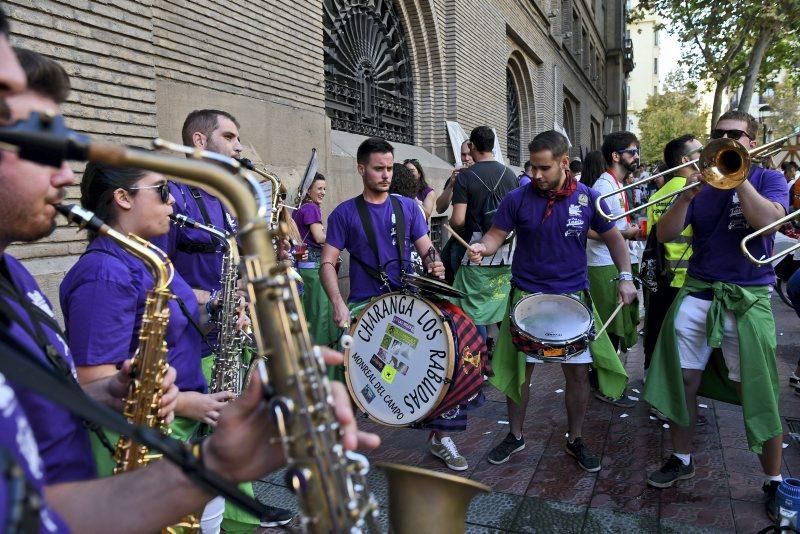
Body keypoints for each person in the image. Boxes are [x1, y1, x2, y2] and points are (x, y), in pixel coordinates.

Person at [0, 24, 380, 531]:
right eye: (36, 141)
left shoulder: (19, 278)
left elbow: (51, 501)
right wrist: (183, 404)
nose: (66, 173)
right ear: (122, 199)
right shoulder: (102, 274)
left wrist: (215, 463)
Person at [643, 110, 787, 520]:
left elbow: (768, 225)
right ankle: (682, 458)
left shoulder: (766, 179)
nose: (724, 139)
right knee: (681, 380)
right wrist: (686, 194)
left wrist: (738, 180)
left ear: (752, 142)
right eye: (718, 134)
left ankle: (774, 480)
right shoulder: (699, 184)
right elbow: (665, 234)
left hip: (747, 296)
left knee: (757, 388)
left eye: (734, 135)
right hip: (698, 291)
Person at [471, 131, 636, 470]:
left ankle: (575, 439)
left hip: (572, 299)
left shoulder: (588, 199)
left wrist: (625, 277)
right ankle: (515, 436)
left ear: (564, 163)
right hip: (526, 299)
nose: (536, 175)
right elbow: (495, 235)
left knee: (576, 375)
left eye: (543, 168)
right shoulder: (517, 198)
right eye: (532, 167)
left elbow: (615, 240)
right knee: (521, 373)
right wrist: (482, 248)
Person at [320, 137, 478, 472]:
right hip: (366, 306)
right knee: (351, 375)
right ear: (361, 168)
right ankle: (341, 442)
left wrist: (436, 263)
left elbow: (426, 249)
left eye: (389, 168)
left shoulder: (408, 208)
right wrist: (338, 302)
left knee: (445, 359)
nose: (386, 175)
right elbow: (327, 263)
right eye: (378, 169)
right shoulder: (345, 213)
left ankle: (440, 438)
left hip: (407, 303)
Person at [449, 126, 518, 344]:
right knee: (500, 303)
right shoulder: (511, 175)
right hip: (507, 252)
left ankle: (478, 360)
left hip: (474, 250)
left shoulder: (465, 177)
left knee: (471, 309)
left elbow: (458, 220)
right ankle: (501, 355)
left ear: (473, 146)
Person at [643, 135, 700, 371]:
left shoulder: (657, 196)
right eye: (700, 152)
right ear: (686, 160)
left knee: (661, 330)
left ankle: (654, 377)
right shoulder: (701, 192)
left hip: (664, 276)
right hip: (694, 277)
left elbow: (651, 239)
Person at [587, 132, 642, 359]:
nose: (637, 157)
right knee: (608, 327)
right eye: (632, 152)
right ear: (616, 156)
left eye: (637, 151)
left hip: (614, 260)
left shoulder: (615, 182)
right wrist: (625, 233)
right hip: (602, 264)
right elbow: (588, 228)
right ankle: (602, 382)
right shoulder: (604, 185)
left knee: (617, 325)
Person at [293, 172, 338, 353]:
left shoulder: (299, 208)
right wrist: (339, 239)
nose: (323, 192)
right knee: (322, 318)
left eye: (325, 188)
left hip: (303, 270)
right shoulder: (311, 208)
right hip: (315, 271)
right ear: (308, 190)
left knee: (310, 315)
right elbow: (319, 237)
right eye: (319, 188)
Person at [438, 140, 474, 284]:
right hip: (457, 239)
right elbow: (440, 208)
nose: (466, 158)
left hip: (475, 241)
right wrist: (451, 185)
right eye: (463, 155)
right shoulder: (456, 178)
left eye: (469, 154)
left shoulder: (480, 177)